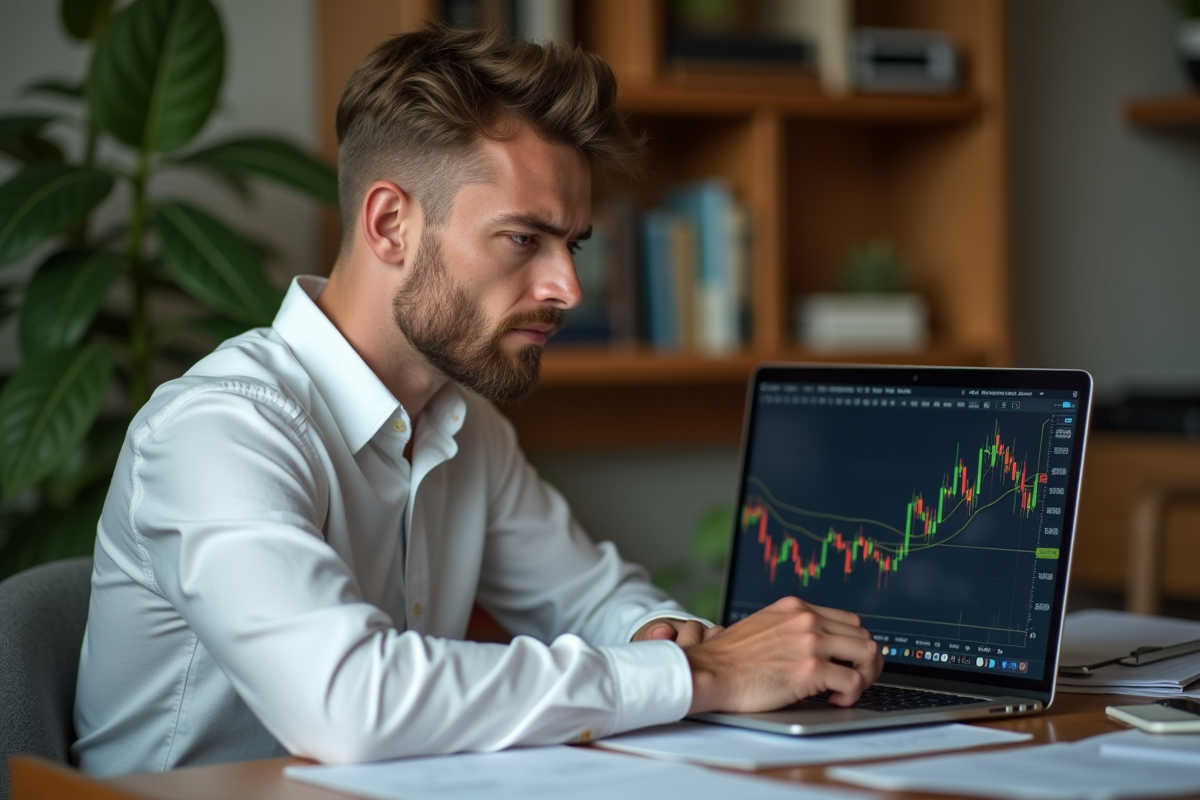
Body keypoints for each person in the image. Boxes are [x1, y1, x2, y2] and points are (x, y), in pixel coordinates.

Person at [72, 25, 882, 775]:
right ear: (391, 225)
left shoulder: (466, 427)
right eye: (525, 239)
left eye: (573, 246)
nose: (566, 287)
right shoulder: (218, 430)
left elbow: (591, 598)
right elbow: (348, 703)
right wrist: (696, 673)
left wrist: (657, 637)